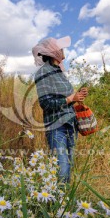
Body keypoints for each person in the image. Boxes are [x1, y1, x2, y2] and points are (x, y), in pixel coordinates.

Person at [32, 36, 88, 182]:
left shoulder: (59, 72)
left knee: (68, 166)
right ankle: (55, 202)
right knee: (61, 168)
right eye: (61, 48)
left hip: (71, 124)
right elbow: (46, 103)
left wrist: (78, 96)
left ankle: (63, 202)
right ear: (53, 52)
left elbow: (67, 100)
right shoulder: (43, 73)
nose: (64, 51)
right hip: (57, 126)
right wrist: (71, 99)